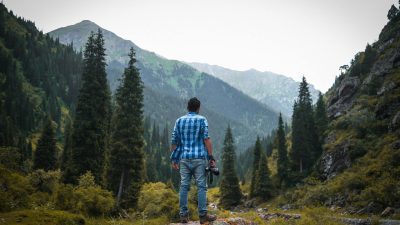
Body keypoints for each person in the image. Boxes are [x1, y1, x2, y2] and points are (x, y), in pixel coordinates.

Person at [170, 97, 217, 224]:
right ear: (198, 108)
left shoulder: (179, 121)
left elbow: (174, 141)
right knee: (201, 187)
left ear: (188, 107)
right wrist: (210, 157)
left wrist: (174, 159)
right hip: (199, 159)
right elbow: (206, 139)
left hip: (184, 158)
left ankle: (183, 216)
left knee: (184, 186)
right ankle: (203, 216)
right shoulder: (202, 119)